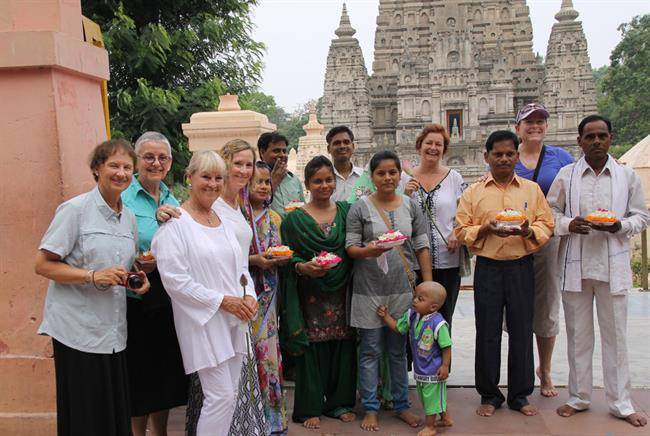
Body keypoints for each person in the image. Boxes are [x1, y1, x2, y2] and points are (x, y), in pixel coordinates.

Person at [35, 139, 150, 435]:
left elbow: (126, 265)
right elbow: (43, 264)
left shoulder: (129, 218)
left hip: (113, 331)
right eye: (113, 165)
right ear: (97, 168)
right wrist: (91, 276)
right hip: (76, 330)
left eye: (127, 167)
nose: (121, 173)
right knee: (85, 417)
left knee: (112, 415)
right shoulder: (74, 210)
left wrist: (137, 278)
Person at [547, 115, 649, 427]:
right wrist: (568, 224)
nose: (596, 142)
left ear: (610, 138)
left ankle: (621, 402)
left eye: (601, 136)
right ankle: (579, 397)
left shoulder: (626, 175)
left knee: (615, 336)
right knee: (578, 336)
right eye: (589, 137)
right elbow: (550, 214)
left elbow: (641, 216)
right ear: (579, 142)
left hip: (612, 263)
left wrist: (621, 225)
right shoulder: (567, 175)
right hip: (575, 264)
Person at [152, 150, 258, 436]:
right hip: (203, 321)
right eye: (205, 177)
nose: (212, 184)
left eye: (218, 178)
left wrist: (250, 298)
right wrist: (223, 301)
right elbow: (175, 281)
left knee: (230, 396)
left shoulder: (221, 220)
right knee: (220, 397)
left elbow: (241, 268)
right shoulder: (176, 224)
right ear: (189, 178)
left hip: (235, 318)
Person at [455, 130, 554, 418]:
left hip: (521, 265)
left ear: (517, 156)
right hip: (487, 267)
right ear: (486, 157)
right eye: (497, 154)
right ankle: (489, 394)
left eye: (510, 154)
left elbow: (546, 224)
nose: (504, 159)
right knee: (487, 331)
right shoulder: (473, 192)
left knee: (522, 330)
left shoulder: (531, 190)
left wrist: (528, 230)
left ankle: (520, 394)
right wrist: (485, 228)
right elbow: (461, 230)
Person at [346, 150, 432, 432]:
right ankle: (370, 408)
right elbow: (351, 248)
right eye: (381, 173)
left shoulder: (411, 206)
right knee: (370, 350)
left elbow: (421, 245)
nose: (387, 177)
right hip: (368, 289)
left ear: (399, 175)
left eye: (392, 172)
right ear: (372, 177)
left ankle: (401, 405)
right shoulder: (360, 208)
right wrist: (369, 251)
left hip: (402, 290)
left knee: (397, 351)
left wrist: (427, 285)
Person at [280, 156, 357, 430]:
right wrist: (302, 267)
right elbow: (286, 257)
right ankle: (309, 407)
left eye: (328, 180)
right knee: (311, 349)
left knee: (343, 346)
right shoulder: (294, 220)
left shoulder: (348, 212)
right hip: (309, 293)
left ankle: (340, 403)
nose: (324, 185)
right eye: (317, 181)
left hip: (342, 291)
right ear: (307, 183)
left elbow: (355, 247)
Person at [121, 132, 188, 436]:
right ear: (137, 160)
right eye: (149, 156)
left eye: (162, 157)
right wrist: (137, 259)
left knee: (163, 371)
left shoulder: (173, 199)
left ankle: (159, 432)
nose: (155, 163)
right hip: (133, 296)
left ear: (170, 162)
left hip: (166, 296)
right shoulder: (122, 197)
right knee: (139, 370)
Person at [514, 103, 574, 397]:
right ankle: (521, 371)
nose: (535, 126)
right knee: (516, 305)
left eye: (540, 121)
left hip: (547, 240)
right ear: (518, 128)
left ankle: (545, 369)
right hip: (512, 241)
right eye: (529, 122)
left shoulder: (561, 158)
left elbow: (573, 197)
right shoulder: (507, 156)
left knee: (547, 303)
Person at [403, 124, 467, 329]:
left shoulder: (454, 178)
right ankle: (412, 361)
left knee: (442, 320)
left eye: (438, 144)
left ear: (444, 149)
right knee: (413, 320)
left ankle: (443, 362)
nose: (433, 148)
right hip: (412, 262)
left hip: (447, 260)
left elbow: (466, 212)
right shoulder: (404, 178)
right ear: (419, 146)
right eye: (428, 143)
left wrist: (458, 232)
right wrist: (405, 195)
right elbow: (394, 213)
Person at [244, 161, 289, 434]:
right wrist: (254, 260)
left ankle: (273, 420)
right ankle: (250, 417)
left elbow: (279, 251)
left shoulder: (275, 218)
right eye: (256, 181)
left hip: (269, 293)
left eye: (266, 182)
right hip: (243, 293)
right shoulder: (236, 216)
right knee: (248, 354)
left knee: (269, 354)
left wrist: (278, 259)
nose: (262, 186)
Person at [377, 281, 453, 436]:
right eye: (415, 296)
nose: (415, 300)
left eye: (420, 298)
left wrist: (445, 366)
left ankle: (430, 427)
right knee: (433, 395)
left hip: (434, 370)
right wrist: (386, 317)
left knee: (430, 399)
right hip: (421, 369)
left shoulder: (438, 324)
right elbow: (399, 327)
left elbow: (447, 346)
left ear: (433, 307)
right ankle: (446, 418)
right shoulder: (412, 316)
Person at [257, 132, 305, 218]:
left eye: (284, 151)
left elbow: (303, 210)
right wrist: (273, 182)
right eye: (276, 151)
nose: (282, 155)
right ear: (262, 152)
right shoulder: (253, 179)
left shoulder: (294, 180)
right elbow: (255, 207)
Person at [326, 125, 364, 202]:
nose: (342, 146)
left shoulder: (365, 176)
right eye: (337, 143)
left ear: (353, 146)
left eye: (346, 142)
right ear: (328, 149)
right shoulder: (323, 180)